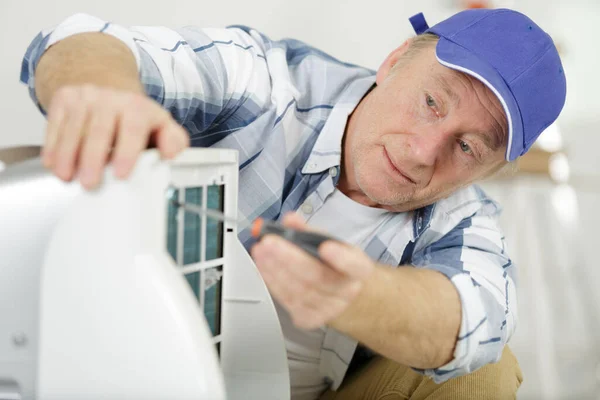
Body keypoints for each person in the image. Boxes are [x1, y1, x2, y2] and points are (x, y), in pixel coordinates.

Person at [20, 7, 565, 399]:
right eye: (430, 102)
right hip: (131, 356)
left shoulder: (461, 219)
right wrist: (99, 87)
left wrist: (361, 295)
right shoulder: (270, 85)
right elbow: (87, 41)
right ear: (395, 60)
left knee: (485, 376)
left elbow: (479, 318)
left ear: (492, 169)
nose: (425, 153)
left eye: (468, 147)